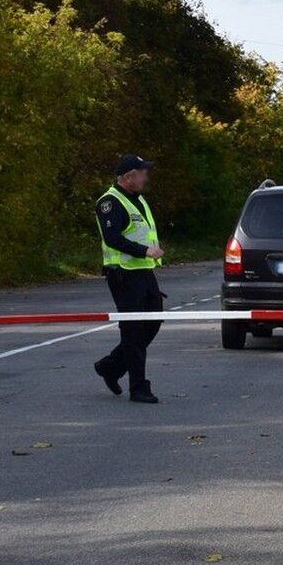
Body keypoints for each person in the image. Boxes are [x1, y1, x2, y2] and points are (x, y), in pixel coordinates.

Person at [93, 154, 166, 404]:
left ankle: (111, 366)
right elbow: (112, 238)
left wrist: (149, 254)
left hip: (144, 272)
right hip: (123, 274)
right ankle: (139, 387)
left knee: (154, 321)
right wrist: (145, 250)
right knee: (133, 331)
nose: (146, 176)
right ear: (128, 177)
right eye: (142, 172)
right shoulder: (110, 203)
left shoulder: (138, 199)